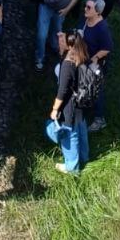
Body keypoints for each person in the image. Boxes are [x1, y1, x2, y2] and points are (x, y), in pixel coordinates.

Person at [46, 31, 90, 173]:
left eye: (62, 39)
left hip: (69, 107)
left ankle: (72, 168)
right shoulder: (81, 54)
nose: (59, 40)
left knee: (70, 136)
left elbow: (62, 92)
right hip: (81, 102)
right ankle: (84, 156)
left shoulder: (67, 65)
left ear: (69, 45)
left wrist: (54, 109)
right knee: (81, 128)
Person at [79, 0, 113, 132]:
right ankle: (87, 104)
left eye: (89, 7)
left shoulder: (102, 28)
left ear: (97, 12)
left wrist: (94, 58)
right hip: (85, 60)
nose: (85, 9)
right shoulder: (87, 19)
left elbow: (108, 47)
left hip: (96, 64)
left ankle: (100, 119)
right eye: (85, 6)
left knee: (97, 90)